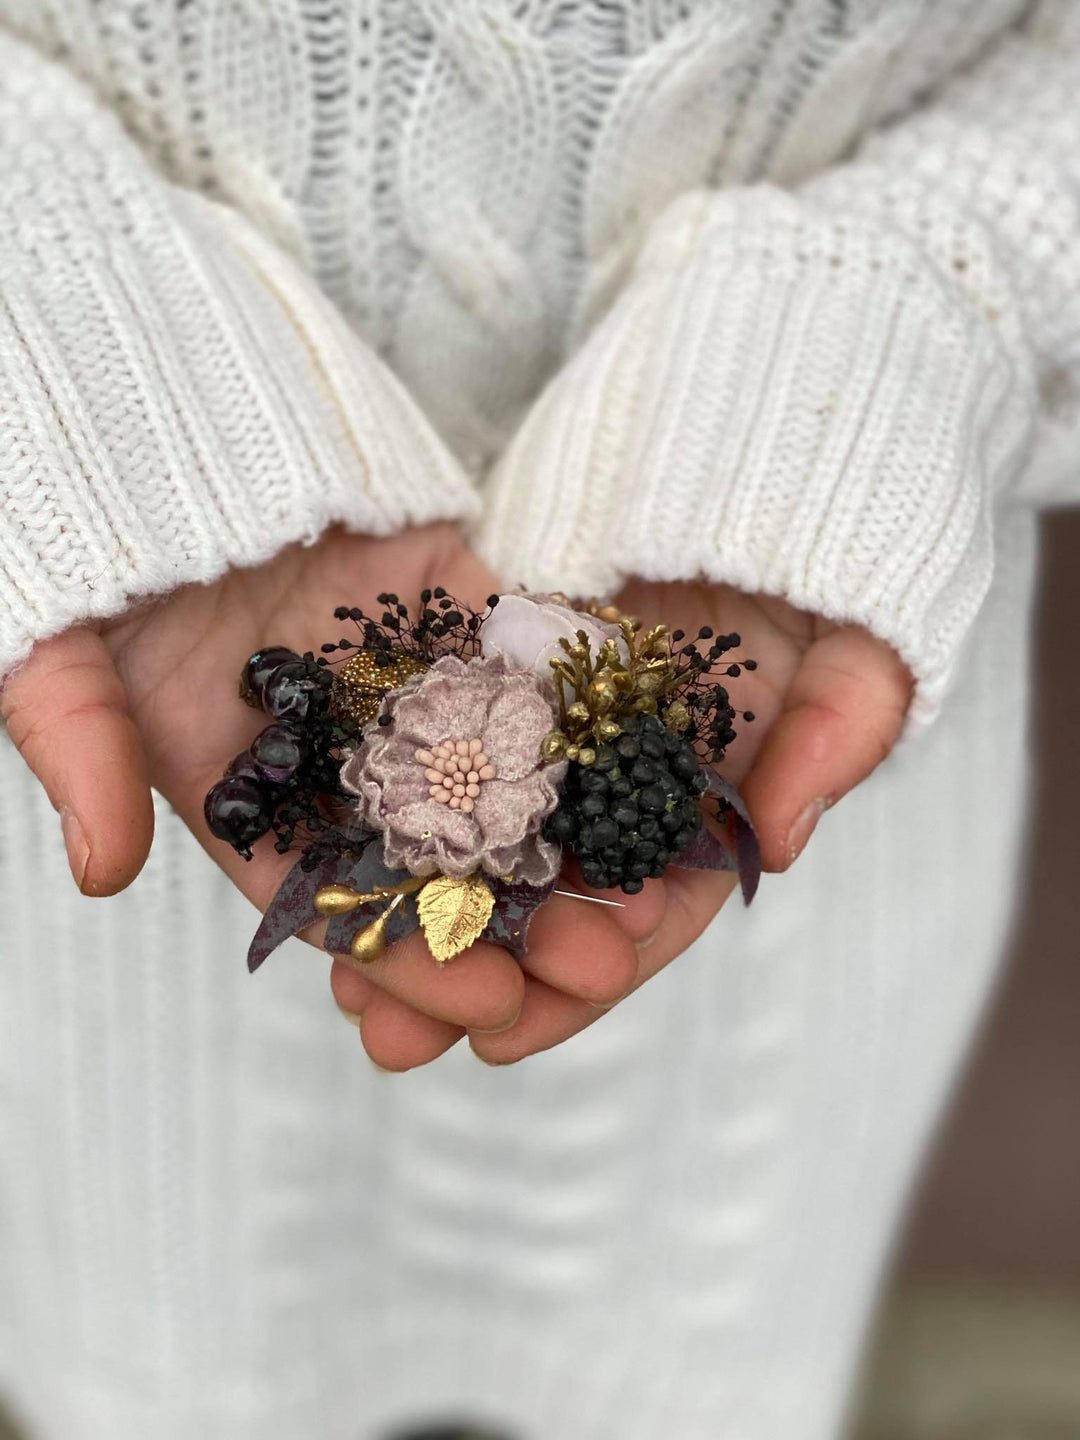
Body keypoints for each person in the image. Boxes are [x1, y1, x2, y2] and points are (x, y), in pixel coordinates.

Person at [0, 3, 1076, 1437]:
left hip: (811, 628)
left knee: (694, 1358)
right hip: (103, 639)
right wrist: (54, 314)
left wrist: (927, 295)